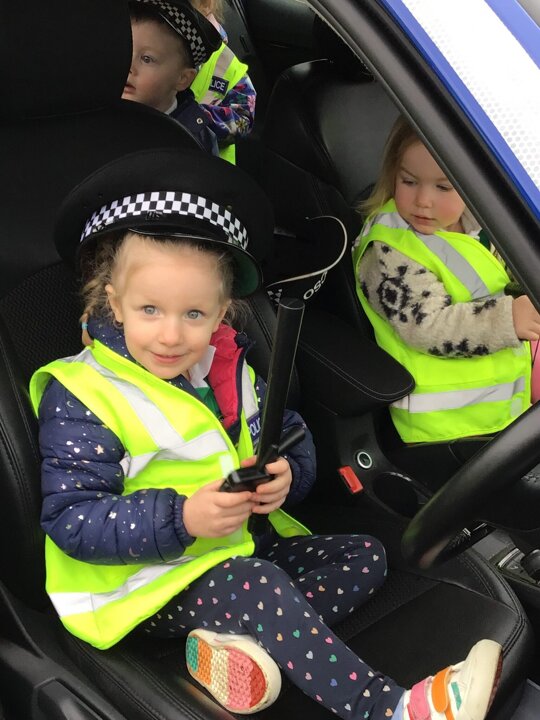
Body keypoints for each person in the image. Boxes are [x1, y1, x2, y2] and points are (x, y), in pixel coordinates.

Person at [31, 148, 502, 720]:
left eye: (194, 315)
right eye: (150, 309)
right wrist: (183, 517)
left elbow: (285, 433)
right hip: (145, 583)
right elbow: (72, 519)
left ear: (222, 312)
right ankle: (392, 708)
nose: (172, 336)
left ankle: (244, 651)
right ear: (115, 303)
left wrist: (287, 476)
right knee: (258, 585)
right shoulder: (83, 393)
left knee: (367, 555)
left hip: (237, 550)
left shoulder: (228, 368)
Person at [352, 115, 540, 444]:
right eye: (409, 181)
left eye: (443, 187)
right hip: (446, 431)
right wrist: (507, 319)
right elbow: (426, 326)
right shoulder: (388, 250)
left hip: (500, 413)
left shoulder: (476, 224)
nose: (424, 200)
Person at [122, 0, 222, 155]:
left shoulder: (193, 142)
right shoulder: (98, 110)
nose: (128, 66)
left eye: (147, 59)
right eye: (125, 51)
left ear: (183, 79)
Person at [189, 0, 256, 163]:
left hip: (210, 169)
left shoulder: (226, 63)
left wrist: (195, 119)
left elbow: (244, 118)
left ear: (206, 7)